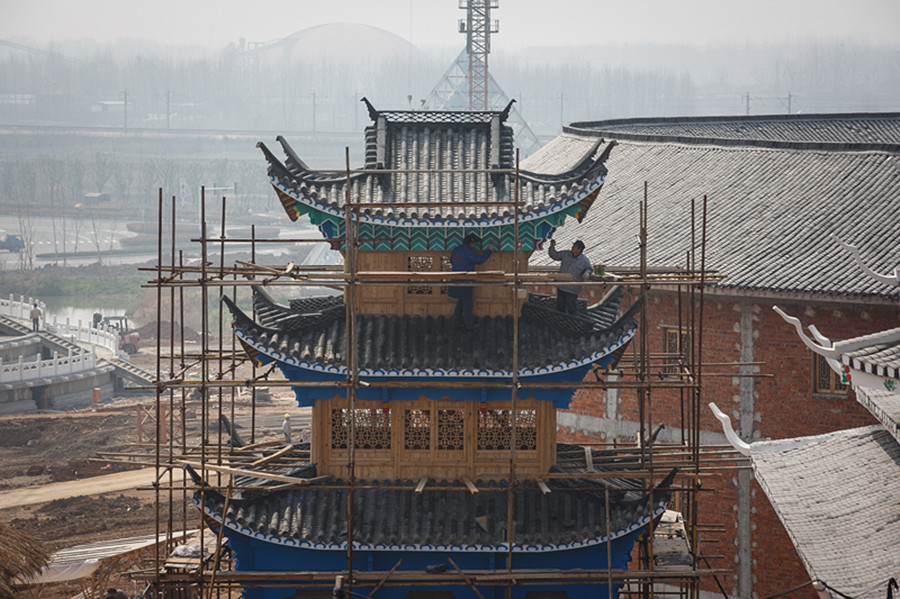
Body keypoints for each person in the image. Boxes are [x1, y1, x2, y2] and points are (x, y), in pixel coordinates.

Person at [448, 233, 492, 329]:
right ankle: (469, 324)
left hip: (455, 279)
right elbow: (480, 260)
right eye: (474, 243)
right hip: (465, 280)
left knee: (461, 300)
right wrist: (489, 250)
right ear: (470, 243)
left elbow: (451, 261)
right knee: (467, 301)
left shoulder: (456, 250)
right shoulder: (468, 252)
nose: (475, 245)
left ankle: (455, 321)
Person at [548, 238, 592, 315]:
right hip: (561, 286)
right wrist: (552, 246)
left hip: (572, 289)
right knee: (560, 308)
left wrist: (587, 273)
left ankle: (573, 324)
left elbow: (589, 269)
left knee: (572, 309)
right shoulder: (566, 254)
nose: (572, 248)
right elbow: (554, 255)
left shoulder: (584, 260)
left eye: (574, 247)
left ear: (579, 250)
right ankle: (560, 323)